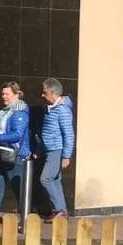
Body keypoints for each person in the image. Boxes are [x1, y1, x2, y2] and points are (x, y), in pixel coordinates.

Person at [0, 81, 30, 219]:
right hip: (1, 152)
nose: (4, 96)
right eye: (2, 93)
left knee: (18, 189)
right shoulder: (6, 110)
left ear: (16, 94)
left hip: (14, 154)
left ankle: (26, 218)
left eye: (7, 94)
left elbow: (17, 135)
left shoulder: (19, 111)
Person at [39, 77, 75, 219]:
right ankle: (61, 211)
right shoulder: (53, 108)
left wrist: (66, 156)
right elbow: (48, 132)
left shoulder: (63, 111)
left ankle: (59, 209)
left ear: (52, 92)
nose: (42, 95)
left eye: (44, 93)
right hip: (51, 150)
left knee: (45, 179)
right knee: (54, 180)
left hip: (56, 150)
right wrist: (39, 149)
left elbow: (69, 134)